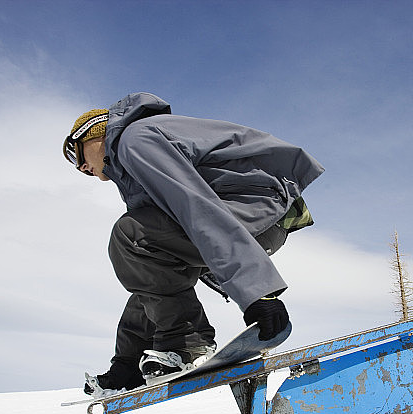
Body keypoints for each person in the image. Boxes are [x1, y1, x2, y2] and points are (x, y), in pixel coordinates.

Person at [62, 92, 324, 394]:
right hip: (248, 215)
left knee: (130, 236)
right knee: (146, 257)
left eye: (77, 155)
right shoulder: (130, 169)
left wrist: (258, 293)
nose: (80, 167)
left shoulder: (135, 141)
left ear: (94, 135)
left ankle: (187, 343)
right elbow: (152, 281)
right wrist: (128, 362)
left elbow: (196, 206)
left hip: (256, 206)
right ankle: (144, 357)